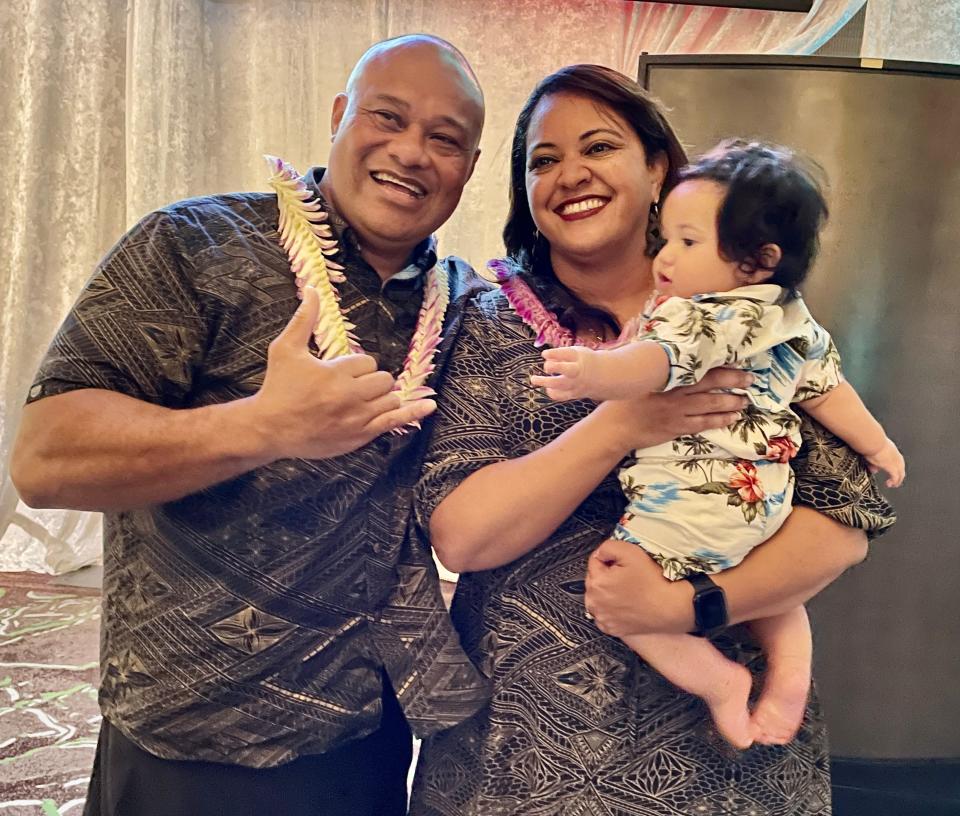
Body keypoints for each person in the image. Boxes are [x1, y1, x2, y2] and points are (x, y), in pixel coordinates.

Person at [10, 34, 492, 816]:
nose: (412, 152)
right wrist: (262, 427)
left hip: (367, 733)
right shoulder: (190, 245)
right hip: (195, 732)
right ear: (339, 117)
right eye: (388, 117)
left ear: (469, 168)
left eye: (445, 139)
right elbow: (46, 456)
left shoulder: (461, 303)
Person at [409, 65, 895, 815]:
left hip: (724, 767)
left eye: (598, 147)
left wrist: (691, 608)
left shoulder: (744, 313)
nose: (570, 174)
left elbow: (845, 523)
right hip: (516, 767)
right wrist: (626, 422)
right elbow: (463, 538)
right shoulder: (483, 319)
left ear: (659, 167)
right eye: (543, 160)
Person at [530, 139, 905, 749]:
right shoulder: (791, 318)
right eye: (666, 239)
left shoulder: (707, 316)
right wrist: (881, 444)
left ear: (757, 262)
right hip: (767, 501)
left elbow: (653, 366)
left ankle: (719, 683)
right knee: (777, 598)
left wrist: (593, 375)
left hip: (691, 503)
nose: (665, 257)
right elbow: (828, 392)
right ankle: (789, 678)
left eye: (687, 242)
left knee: (619, 597)